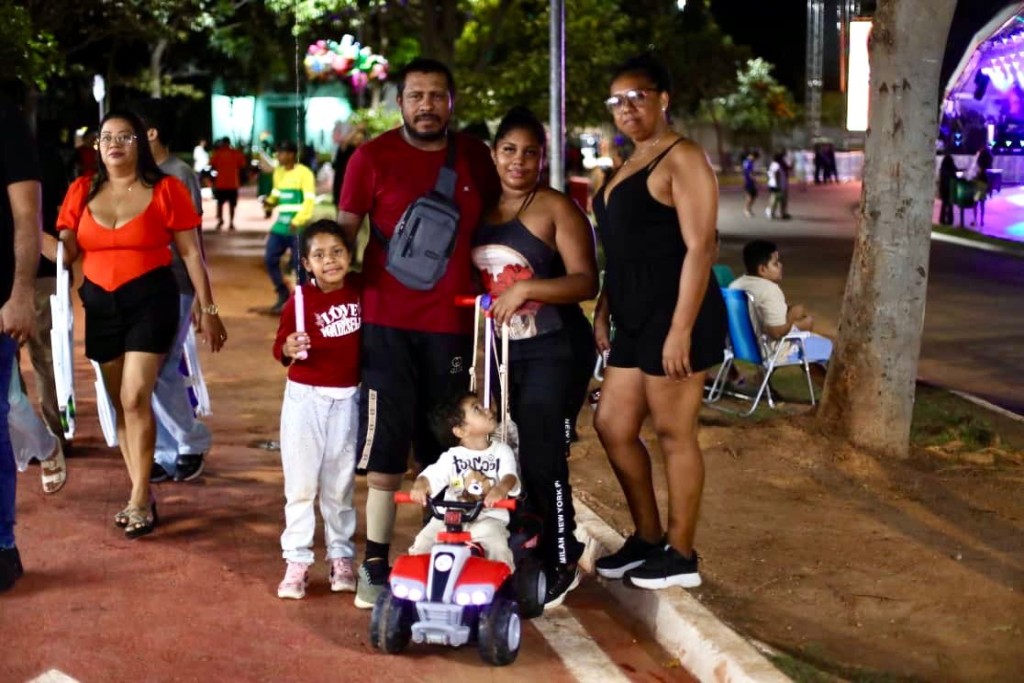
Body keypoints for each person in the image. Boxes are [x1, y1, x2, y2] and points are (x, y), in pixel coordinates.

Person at [336, 57, 500, 609]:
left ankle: (445, 552)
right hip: (386, 324)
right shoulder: (370, 157)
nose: (426, 105)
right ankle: (375, 562)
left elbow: (499, 222)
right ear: (399, 102)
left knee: (447, 445)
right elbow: (344, 236)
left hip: (453, 325)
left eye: (436, 95)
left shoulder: (476, 157)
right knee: (386, 447)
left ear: (451, 101)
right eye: (415, 96)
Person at [56, 110, 227, 539]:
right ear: (97, 146)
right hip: (100, 305)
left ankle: (136, 498)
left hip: (152, 300)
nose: (114, 144)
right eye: (106, 137)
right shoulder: (81, 190)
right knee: (120, 403)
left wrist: (208, 309)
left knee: (135, 396)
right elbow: (65, 250)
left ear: (140, 143)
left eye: (125, 137)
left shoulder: (166, 189)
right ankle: (143, 491)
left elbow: (191, 253)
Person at [590, 55, 726, 590]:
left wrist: (681, 329)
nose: (626, 108)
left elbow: (701, 247)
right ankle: (648, 537)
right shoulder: (628, 163)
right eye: (617, 101)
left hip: (676, 315)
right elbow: (621, 251)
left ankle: (681, 554)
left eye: (638, 96)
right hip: (633, 316)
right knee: (612, 425)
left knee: (673, 433)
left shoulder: (681, 157)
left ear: (663, 99)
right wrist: (604, 306)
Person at [470, 106, 598, 607]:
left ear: (543, 159)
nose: (518, 161)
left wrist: (527, 289)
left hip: (554, 348)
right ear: (493, 154)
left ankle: (564, 557)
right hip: (500, 351)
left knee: (543, 458)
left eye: (530, 153)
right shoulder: (480, 208)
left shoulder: (555, 208)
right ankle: (525, 545)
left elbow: (586, 281)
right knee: (504, 452)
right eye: (509, 150)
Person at [271, 219, 361, 599]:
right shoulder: (300, 300)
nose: (330, 261)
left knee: (340, 485)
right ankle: (297, 560)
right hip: (305, 399)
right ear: (306, 264)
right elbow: (280, 347)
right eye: (320, 255)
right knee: (302, 484)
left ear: (350, 255)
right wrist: (288, 347)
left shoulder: (361, 293)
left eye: (337, 252)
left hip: (348, 399)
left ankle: (341, 556)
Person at [141, 106, 212, 483]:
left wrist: (203, 297)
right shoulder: (136, 174)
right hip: (142, 286)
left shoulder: (179, 174)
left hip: (176, 283)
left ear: (152, 133)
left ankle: (191, 441)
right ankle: (167, 451)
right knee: (148, 369)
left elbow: (193, 239)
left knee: (161, 366)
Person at [0, 92, 42, 592]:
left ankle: (2, 545)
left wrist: (21, 293)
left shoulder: (5, 118)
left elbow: (26, 216)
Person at [406, 391, 520, 569]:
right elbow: (431, 476)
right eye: (477, 409)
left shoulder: (501, 451)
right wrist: (421, 486)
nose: (487, 410)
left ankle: (504, 580)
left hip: (487, 518)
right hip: (448, 519)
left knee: (498, 547)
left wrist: (501, 489)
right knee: (422, 543)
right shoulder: (451, 457)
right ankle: (418, 580)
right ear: (461, 431)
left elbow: (510, 477)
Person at [23, 121, 70, 494]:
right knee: (45, 360)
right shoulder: (44, 155)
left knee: (44, 359)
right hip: (42, 272)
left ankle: (49, 436)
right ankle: (52, 434)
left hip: (37, 274)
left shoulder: (34, 158)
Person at [728, 240, 832, 366]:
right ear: (762, 269)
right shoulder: (769, 290)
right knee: (830, 349)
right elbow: (776, 333)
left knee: (808, 335)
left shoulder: (734, 286)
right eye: (775, 263)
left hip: (744, 350)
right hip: (773, 353)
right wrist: (791, 317)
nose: (780, 266)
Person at [265, 140, 315, 314]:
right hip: (281, 226)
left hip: (297, 227)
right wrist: (269, 203)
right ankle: (282, 293)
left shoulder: (305, 173)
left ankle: (303, 301)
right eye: (278, 153)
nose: (279, 156)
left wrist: (298, 220)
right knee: (270, 259)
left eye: (282, 153)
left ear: (292, 154)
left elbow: (309, 200)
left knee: (298, 265)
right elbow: (276, 194)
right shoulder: (278, 172)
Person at [209, 138, 247, 231]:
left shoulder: (218, 153)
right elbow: (242, 164)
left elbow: (211, 163)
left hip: (221, 183)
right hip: (233, 183)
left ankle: (220, 220)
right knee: (232, 204)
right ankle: (231, 222)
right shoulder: (236, 153)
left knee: (220, 203)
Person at [331, 124, 365, 210]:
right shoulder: (345, 148)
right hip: (341, 185)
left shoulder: (360, 151)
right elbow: (345, 142)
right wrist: (356, 129)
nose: (359, 139)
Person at [972, 146, 993, 228]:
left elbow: (975, 171)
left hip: (978, 184)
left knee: (975, 203)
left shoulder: (980, 164)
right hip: (984, 184)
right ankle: (981, 220)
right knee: (982, 204)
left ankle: (975, 220)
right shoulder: (989, 162)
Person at [938, 152, 958, 226]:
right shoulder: (952, 169)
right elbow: (955, 173)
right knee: (950, 205)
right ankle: (950, 220)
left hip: (944, 188)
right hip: (950, 188)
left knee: (944, 205)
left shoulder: (943, 169)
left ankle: (942, 219)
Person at [741, 150, 759, 218]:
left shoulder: (746, 162)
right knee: (750, 197)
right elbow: (750, 173)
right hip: (749, 182)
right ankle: (746, 210)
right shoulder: (749, 163)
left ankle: (749, 209)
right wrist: (755, 180)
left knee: (753, 196)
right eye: (755, 158)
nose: (755, 160)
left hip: (748, 181)